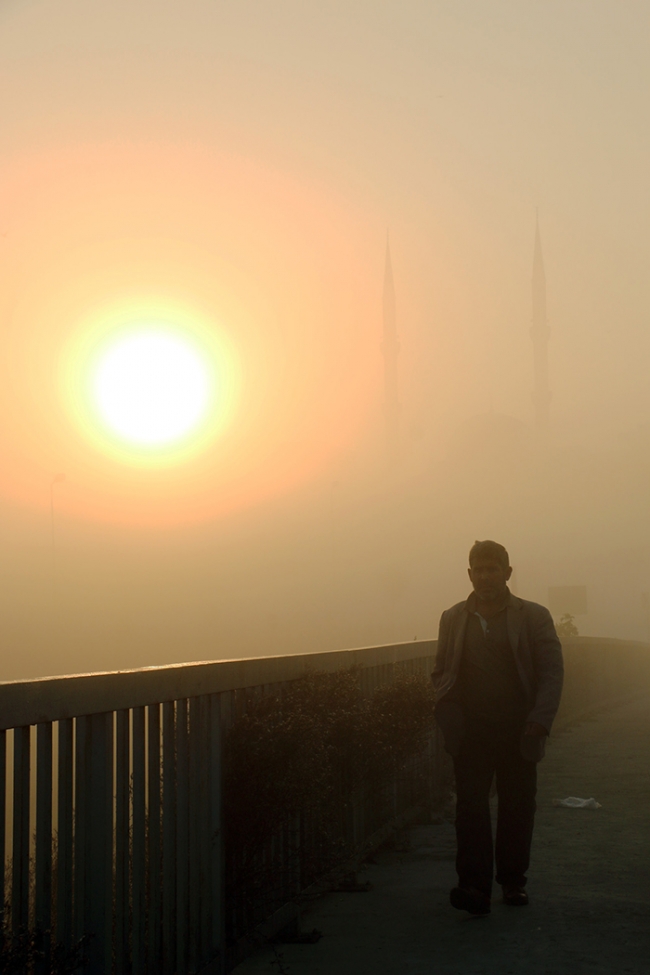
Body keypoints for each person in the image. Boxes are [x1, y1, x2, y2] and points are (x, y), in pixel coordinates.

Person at [432, 540, 563, 915]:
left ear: (508, 573)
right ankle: (473, 886)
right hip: (471, 730)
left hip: (519, 728)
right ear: (469, 574)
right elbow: (441, 669)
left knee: (517, 806)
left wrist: (540, 719)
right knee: (470, 808)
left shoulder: (534, 616)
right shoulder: (453, 617)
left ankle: (512, 882)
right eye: (479, 569)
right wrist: (448, 708)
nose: (486, 575)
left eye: (494, 569)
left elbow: (552, 672)